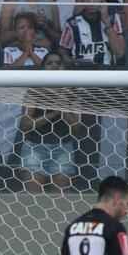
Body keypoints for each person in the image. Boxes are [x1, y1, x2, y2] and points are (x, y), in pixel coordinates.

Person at [16, 50, 78, 190]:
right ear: (43, 68)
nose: (54, 66)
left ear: (64, 68)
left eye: (58, 63)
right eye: (50, 63)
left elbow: (76, 128)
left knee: (60, 198)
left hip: (63, 147)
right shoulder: (34, 92)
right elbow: (25, 125)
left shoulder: (71, 92)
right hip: (34, 146)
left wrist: (62, 106)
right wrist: (53, 113)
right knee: (33, 196)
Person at [60, 0, 124, 66]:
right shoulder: (72, 23)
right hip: (81, 71)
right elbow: (62, 52)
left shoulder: (113, 18)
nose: (91, 2)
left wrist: (107, 23)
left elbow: (119, 53)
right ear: (82, 0)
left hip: (106, 71)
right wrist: (74, 62)